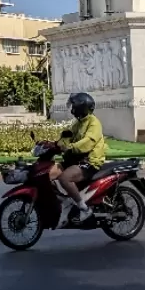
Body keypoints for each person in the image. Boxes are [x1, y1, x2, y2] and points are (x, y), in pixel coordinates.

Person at [54, 91, 107, 224]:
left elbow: (88, 142)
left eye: (74, 106)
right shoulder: (78, 123)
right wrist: (56, 144)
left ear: (80, 107)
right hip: (76, 158)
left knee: (64, 178)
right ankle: (64, 200)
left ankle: (84, 208)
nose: (72, 109)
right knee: (49, 173)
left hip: (89, 161)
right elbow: (67, 136)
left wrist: (70, 147)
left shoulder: (94, 123)